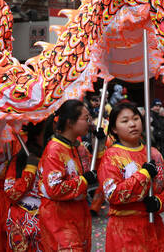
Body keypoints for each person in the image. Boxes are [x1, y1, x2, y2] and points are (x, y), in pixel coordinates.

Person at [98, 102, 164, 251]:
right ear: (114, 128)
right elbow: (112, 193)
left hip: (154, 227)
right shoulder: (112, 156)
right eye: (125, 121)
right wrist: (144, 174)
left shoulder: (153, 153)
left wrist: (159, 202)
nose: (132, 124)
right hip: (126, 231)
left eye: (135, 119)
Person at [38, 99, 97, 252]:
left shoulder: (79, 148)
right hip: (59, 216)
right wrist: (84, 180)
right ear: (70, 122)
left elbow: (95, 170)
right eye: (85, 118)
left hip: (79, 213)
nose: (89, 123)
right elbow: (55, 188)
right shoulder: (54, 150)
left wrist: (100, 144)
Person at [4, 122, 44, 251]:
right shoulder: (18, 160)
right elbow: (11, 194)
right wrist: (30, 169)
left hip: (47, 221)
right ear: (37, 136)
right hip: (21, 222)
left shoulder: (53, 156)